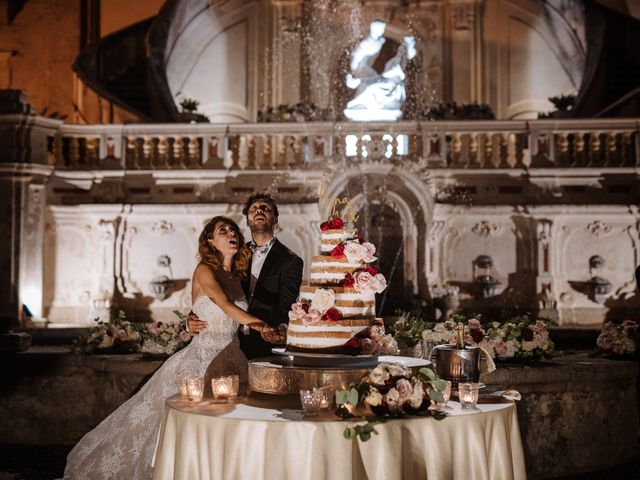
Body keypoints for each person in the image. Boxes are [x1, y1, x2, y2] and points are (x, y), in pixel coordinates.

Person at [64, 217, 278, 479]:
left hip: (233, 359)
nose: (231, 233)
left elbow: (200, 311)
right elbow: (223, 305)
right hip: (200, 361)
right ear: (210, 240)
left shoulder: (237, 277)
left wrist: (189, 321)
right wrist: (260, 325)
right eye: (223, 230)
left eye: (233, 229)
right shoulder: (204, 270)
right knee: (171, 427)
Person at [189, 193, 303, 359]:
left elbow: (287, 304)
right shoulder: (234, 255)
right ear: (248, 220)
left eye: (266, 208)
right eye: (254, 208)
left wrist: (282, 329)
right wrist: (188, 322)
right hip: (232, 342)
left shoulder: (290, 260)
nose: (259, 211)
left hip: (265, 344)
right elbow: (209, 298)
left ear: (275, 219)